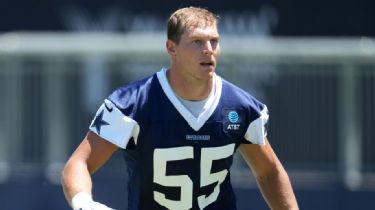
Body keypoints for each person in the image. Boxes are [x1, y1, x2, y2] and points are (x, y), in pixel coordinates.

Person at [61, 6, 299, 210]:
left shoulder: (241, 106)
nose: (209, 49)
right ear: (171, 48)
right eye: (197, 42)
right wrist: (85, 204)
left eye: (214, 41)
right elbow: (79, 164)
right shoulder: (133, 103)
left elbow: (269, 172)